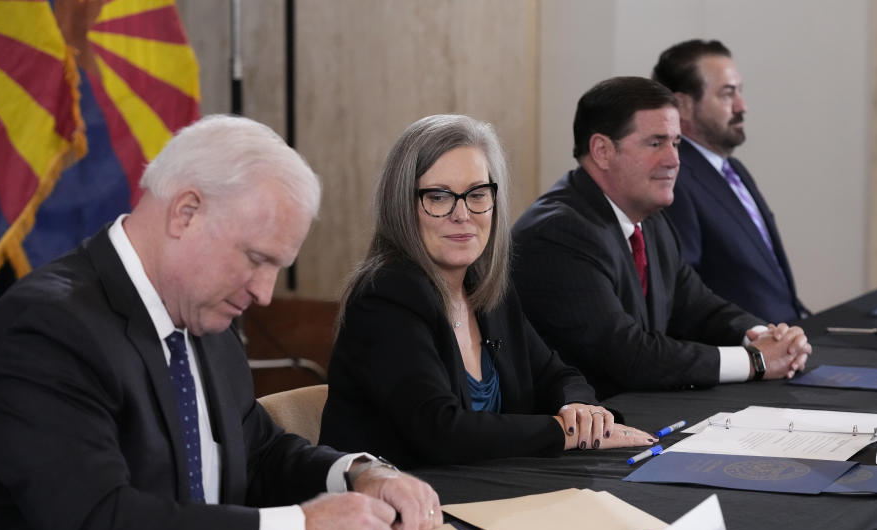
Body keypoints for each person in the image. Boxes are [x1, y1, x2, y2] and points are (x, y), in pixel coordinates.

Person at [0, 115, 441, 530]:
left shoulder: (206, 313)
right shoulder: (48, 325)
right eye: (255, 258)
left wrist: (357, 474)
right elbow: (96, 525)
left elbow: (256, 451)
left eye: (276, 269)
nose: (264, 294)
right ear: (186, 212)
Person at [319, 114, 656, 468]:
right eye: (438, 197)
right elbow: (442, 431)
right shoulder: (385, 297)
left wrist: (580, 409)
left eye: (477, 194)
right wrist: (565, 432)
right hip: (395, 508)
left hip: (482, 493)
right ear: (402, 205)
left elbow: (556, 375)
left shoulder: (486, 288)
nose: (462, 214)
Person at [511, 77, 811, 399]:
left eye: (676, 142)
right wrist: (755, 360)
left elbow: (698, 308)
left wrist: (766, 337)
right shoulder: (558, 233)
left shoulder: (650, 219)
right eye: (655, 143)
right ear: (602, 150)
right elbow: (629, 355)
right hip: (575, 432)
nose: (673, 160)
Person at [652, 39, 808, 324]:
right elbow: (686, 297)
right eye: (727, 94)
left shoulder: (734, 169)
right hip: (746, 354)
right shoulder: (674, 178)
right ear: (682, 105)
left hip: (784, 344)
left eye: (740, 91)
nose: (742, 106)